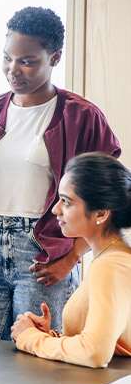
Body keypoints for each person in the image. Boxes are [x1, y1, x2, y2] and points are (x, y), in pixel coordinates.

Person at [0, 7, 120, 340]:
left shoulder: (82, 117)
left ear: (54, 57)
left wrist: (72, 258)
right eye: (7, 58)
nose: (13, 70)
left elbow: (108, 200)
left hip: (45, 256)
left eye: (27, 61)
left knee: (38, 364)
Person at [10, 152, 131, 368]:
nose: (56, 210)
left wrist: (30, 338)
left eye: (66, 202)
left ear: (100, 214)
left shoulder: (111, 265)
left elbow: (94, 353)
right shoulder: (110, 258)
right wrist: (51, 337)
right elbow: (113, 345)